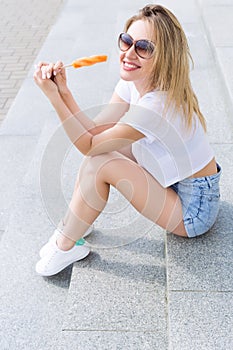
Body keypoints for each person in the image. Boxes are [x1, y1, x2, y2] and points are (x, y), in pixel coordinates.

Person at [34, 4, 221, 277]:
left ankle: (65, 244)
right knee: (100, 153)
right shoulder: (134, 81)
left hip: (194, 209)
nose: (129, 53)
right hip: (174, 178)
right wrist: (64, 92)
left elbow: (90, 144)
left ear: (164, 57)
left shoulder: (156, 107)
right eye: (127, 41)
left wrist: (54, 98)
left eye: (143, 47)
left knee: (100, 161)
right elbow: (96, 131)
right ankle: (77, 224)